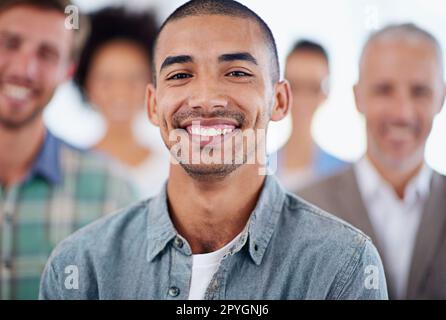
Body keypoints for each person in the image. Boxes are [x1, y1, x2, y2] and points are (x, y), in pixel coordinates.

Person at [40, 0, 387, 300]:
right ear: (152, 104)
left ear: (279, 101)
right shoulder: (81, 266)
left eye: (236, 72)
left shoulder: (344, 265)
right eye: (179, 75)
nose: (206, 99)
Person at [0, 0, 137, 299]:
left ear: (67, 70)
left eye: (47, 54)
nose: (25, 69)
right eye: (10, 44)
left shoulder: (113, 193)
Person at [299, 24, 446, 299]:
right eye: (384, 90)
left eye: (419, 91)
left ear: (441, 97)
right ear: (358, 97)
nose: (402, 113)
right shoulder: (303, 209)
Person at [74, 7, 169, 199]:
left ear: (152, 84)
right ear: (86, 83)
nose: (120, 91)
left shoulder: (171, 169)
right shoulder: (71, 168)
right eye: (106, 79)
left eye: (133, 78)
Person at [278, 40, 348, 191]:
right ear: (281, 91)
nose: (302, 99)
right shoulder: (255, 170)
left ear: (325, 93)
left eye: (313, 88)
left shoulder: (343, 174)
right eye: (295, 86)